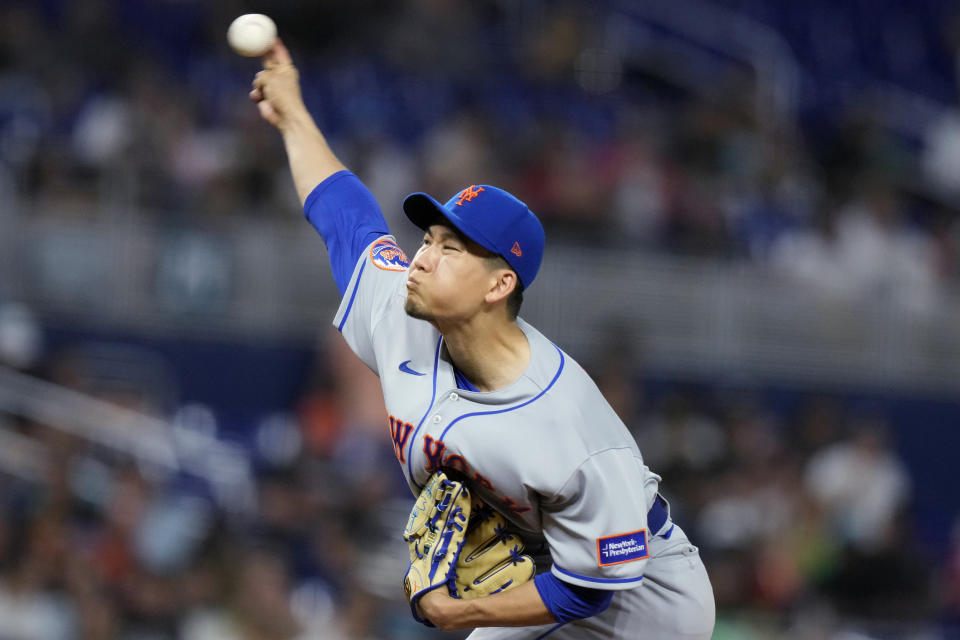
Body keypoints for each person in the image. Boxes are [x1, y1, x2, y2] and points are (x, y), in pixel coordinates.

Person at [250, 40, 715, 639]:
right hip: (542, 568)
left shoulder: (566, 425)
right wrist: (292, 114)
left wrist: (455, 610)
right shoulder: (403, 317)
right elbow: (346, 216)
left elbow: (590, 587)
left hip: (644, 598)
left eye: (450, 248)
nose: (422, 257)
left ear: (499, 284)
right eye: (428, 240)